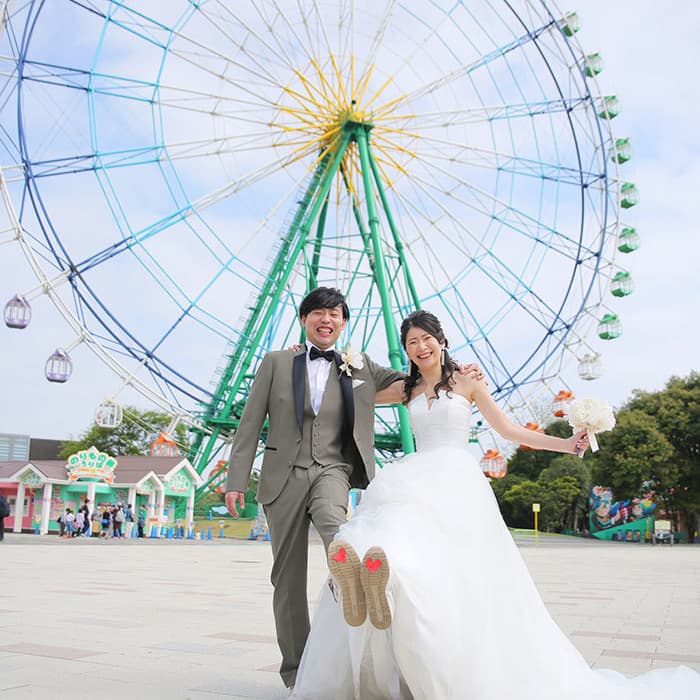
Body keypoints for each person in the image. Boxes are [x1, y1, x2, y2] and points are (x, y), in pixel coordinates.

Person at [292, 310, 700, 699]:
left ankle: (396, 603)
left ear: (442, 341)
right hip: (414, 475)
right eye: (412, 342)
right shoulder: (406, 389)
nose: (420, 347)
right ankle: (374, 586)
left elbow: (509, 429)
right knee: (389, 531)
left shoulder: (468, 383)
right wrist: (311, 358)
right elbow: (352, 394)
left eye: (426, 339)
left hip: (455, 481)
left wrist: (565, 444)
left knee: (451, 572)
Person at [224, 287, 481, 690]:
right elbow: (250, 421)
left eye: (335, 314)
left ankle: (355, 580)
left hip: (332, 468)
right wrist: (236, 479)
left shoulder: (358, 365)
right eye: (318, 313)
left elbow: (417, 379)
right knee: (286, 580)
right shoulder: (276, 362)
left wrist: (459, 373)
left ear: (344, 323)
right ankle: (296, 673)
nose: (326, 320)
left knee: (337, 527)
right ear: (304, 319)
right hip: (281, 477)